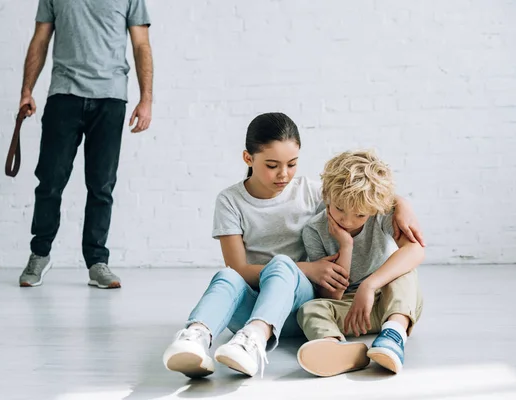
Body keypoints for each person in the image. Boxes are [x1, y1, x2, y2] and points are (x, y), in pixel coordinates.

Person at [162, 113, 424, 379]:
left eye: (292, 164)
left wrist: (401, 204)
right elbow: (238, 268)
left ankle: (255, 338)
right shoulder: (230, 200)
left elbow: (358, 193)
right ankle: (195, 336)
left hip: (298, 306)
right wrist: (305, 268)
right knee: (226, 275)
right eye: (272, 165)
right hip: (252, 305)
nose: (283, 174)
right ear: (248, 158)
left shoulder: (310, 192)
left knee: (282, 266)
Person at [17, 0, 153, 288]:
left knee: (101, 185)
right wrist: (26, 91)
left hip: (111, 97)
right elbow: (40, 38)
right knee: (50, 181)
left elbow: (141, 44)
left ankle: (97, 262)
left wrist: (146, 100)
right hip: (64, 94)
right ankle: (40, 254)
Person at [296, 150, 424, 377]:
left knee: (404, 271)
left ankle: (392, 336)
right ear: (327, 196)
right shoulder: (314, 230)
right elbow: (330, 295)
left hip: (393, 303)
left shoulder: (381, 214)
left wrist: (370, 285)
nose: (347, 221)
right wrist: (346, 247)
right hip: (354, 313)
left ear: (374, 210)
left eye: (359, 215)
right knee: (309, 309)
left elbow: (415, 250)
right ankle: (334, 347)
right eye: (339, 209)